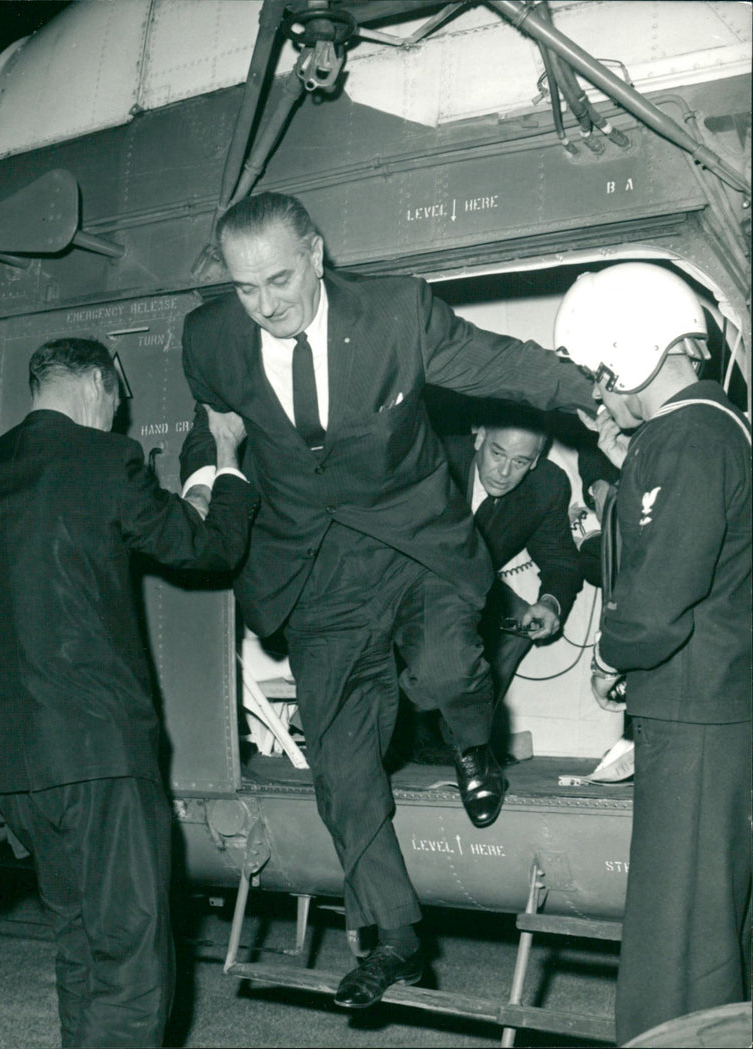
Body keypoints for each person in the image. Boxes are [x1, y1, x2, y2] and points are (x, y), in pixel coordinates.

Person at [179, 191, 594, 1008]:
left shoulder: (396, 312)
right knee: (341, 766)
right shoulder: (211, 338)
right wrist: (202, 476)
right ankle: (396, 935)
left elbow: (497, 362)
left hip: (415, 546)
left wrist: (600, 393)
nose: (264, 306)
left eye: (279, 280)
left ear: (317, 253)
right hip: (318, 573)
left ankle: (475, 745)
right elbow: (212, 425)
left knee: (445, 673)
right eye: (245, 287)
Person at [0, 337, 259, 1048]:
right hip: (98, 754)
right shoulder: (103, 460)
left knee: (81, 944)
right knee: (131, 962)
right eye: (117, 401)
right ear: (97, 383)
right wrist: (227, 459)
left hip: (12, 767)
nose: (118, 417)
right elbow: (203, 546)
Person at [554, 262, 751, 1044]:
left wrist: (613, 649)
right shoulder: (712, 426)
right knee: (717, 924)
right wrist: (627, 452)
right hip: (717, 708)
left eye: (603, 375)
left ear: (634, 348)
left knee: (679, 941)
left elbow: (658, 599)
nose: (599, 396)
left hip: (692, 711)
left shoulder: (686, 439)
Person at [446, 403, 582, 710]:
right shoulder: (436, 458)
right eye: (498, 454)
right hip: (406, 582)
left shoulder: (547, 485)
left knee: (522, 626)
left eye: (521, 461)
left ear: (536, 461)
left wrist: (550, 603)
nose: (505, 472)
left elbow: (559, 559)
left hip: (471, 585)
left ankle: (464, 738)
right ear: (479, 437)